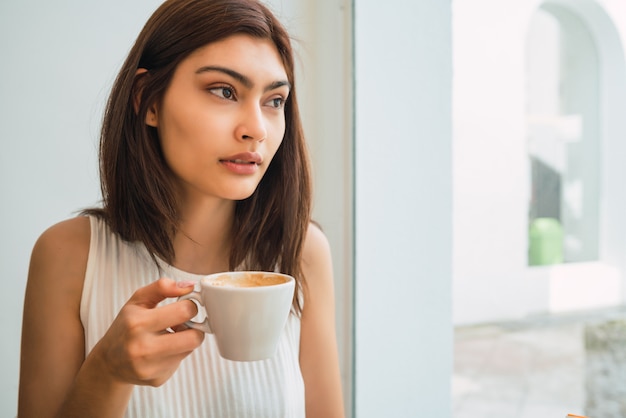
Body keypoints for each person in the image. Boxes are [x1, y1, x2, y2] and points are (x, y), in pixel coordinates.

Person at [17, 0, 345, 416]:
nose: (257, 129)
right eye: (225, 92)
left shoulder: (302, 251)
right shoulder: (68, 255)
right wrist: (106, 373)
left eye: (274, 100)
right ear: (147, 100)